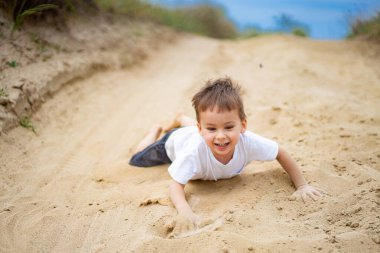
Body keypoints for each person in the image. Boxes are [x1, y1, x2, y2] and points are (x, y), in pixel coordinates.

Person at [129, 77, 324, 224]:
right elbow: (176, 186)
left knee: (208, 128)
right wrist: (185, 211)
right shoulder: (193, 152)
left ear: (243, 125)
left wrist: (302, 185)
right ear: (201, 129)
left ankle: (182, 119)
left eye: (229, 127)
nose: (221, 136)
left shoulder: (248, 142)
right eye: (212, 129)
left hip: (192, 132)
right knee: (137, 158)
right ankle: (156, 130)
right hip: (172, 144)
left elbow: (280, 152)